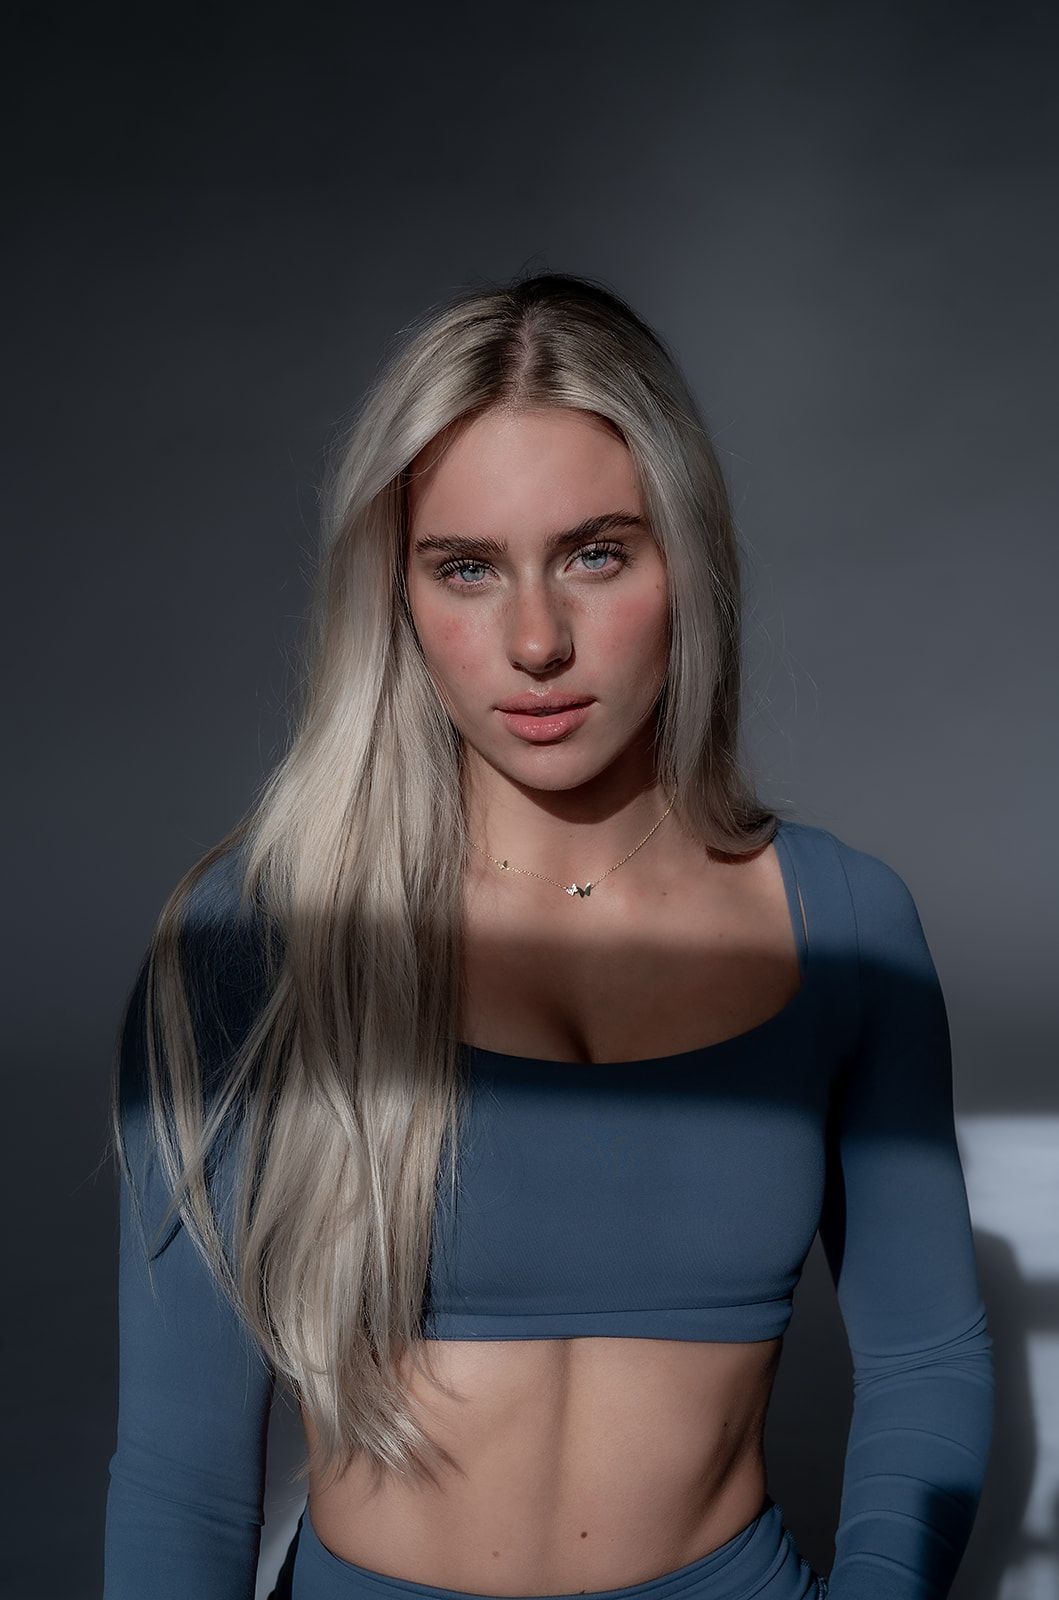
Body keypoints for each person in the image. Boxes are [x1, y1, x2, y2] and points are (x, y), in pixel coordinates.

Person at [102, 272, 995, 1600]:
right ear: (396, 597)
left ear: (682, 561)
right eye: (467, 568)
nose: (534, 640)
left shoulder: (846, 928)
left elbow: (926, 1365)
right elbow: (182, 1477)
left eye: (595, 553)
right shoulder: (250, 949)